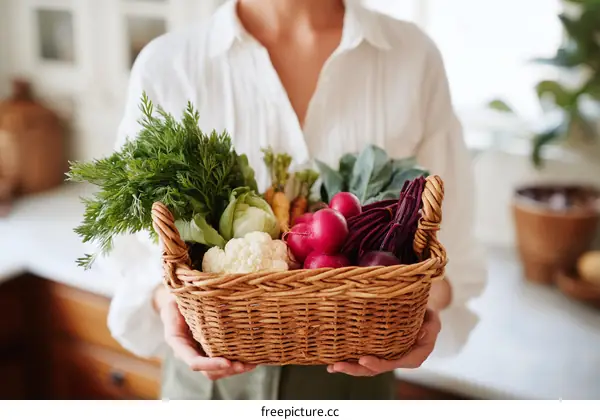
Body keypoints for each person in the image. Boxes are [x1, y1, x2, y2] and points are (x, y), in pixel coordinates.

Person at [94, 0, 487, 400]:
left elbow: (450, 247)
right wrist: (168, 304)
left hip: (352, 384)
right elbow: (132, 252)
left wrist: (416, 310)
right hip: (211, 385)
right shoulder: (168, 65)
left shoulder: (412, 57)